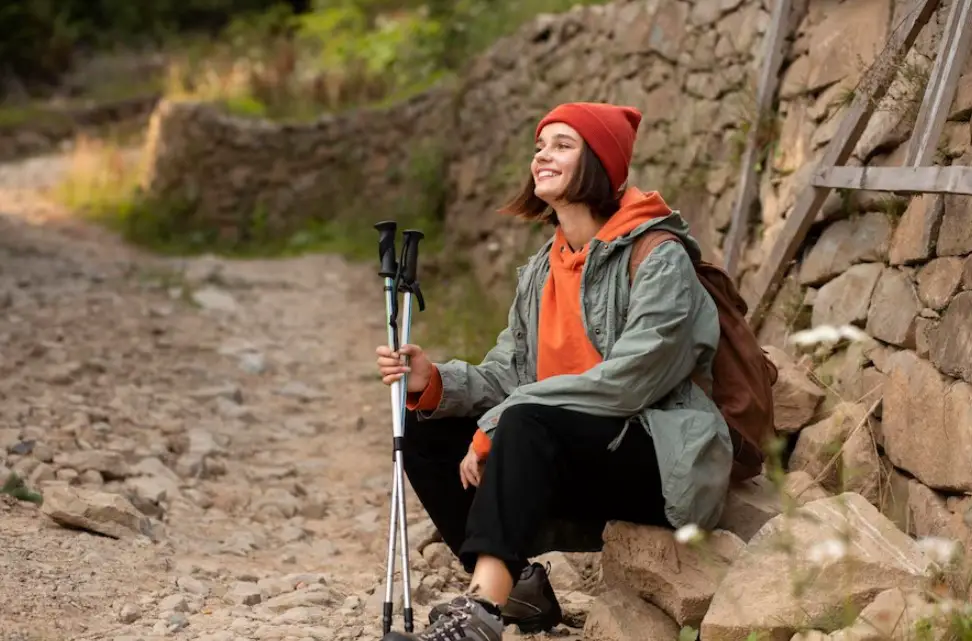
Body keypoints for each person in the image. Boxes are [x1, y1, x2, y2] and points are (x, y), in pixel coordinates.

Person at [374, 101, 734, 641]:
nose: (543, 156)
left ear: (600, 165)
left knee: (520, 421)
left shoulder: (659, 257)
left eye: (563, 145)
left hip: (657, 458)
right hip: (566, 455)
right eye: (540, 146)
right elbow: (511, 371)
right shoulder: (545, 266)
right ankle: (518, 589)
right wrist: (434, 381)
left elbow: (633, 379)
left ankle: (479, 616)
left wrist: (504, 418)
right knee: (425, 424)